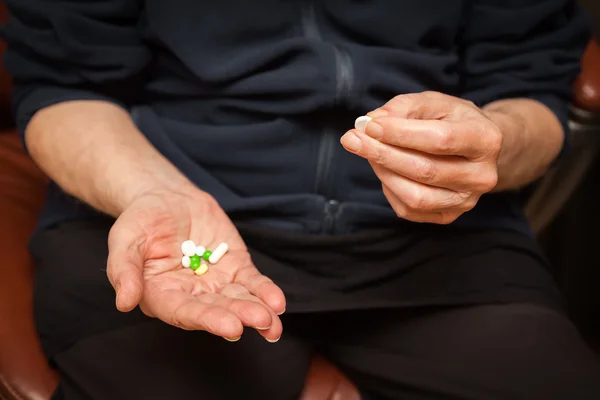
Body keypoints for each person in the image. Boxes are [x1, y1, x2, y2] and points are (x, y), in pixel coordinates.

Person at [3, 0, 600, 399]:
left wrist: (489, 146)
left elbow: (529, 87)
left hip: (438, 245)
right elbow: (63, 86)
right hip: (167, 214)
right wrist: (155, 192)